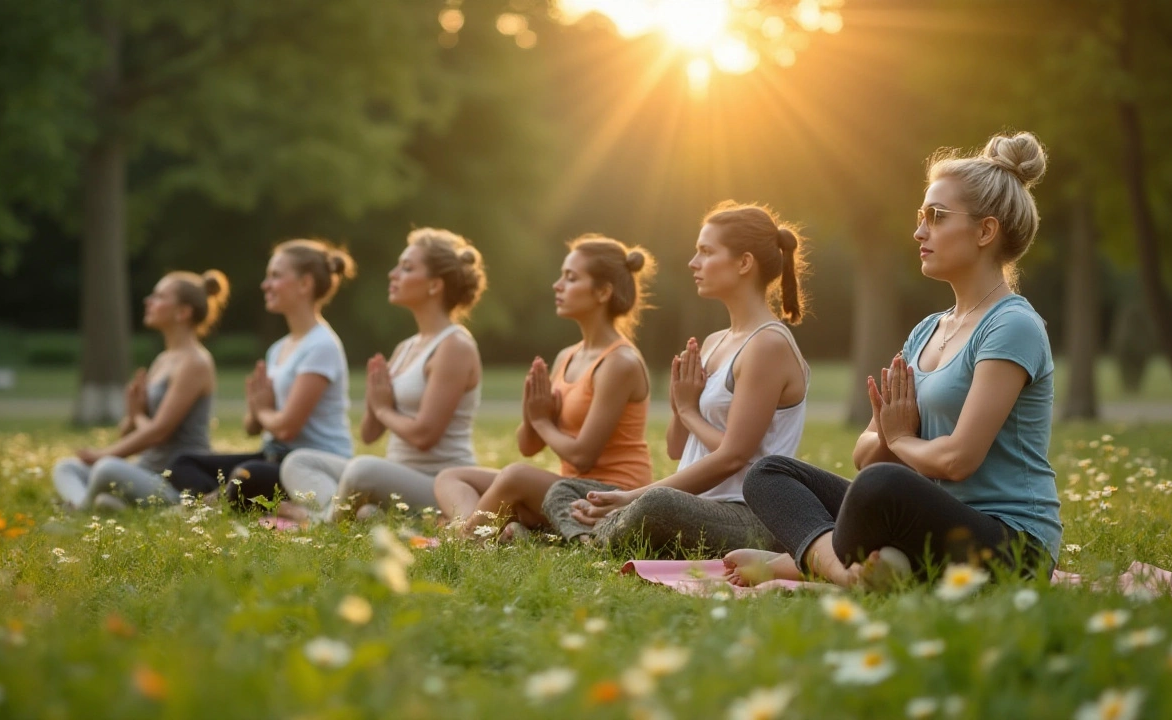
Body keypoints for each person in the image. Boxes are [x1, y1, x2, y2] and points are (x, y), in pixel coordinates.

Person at [725, 131, 1061, 589]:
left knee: (882, 486)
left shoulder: (1013, 325)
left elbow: (959, 459)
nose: (920, 231)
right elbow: (864, 451)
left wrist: (900, 438)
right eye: (921, 216)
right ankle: (850, 572)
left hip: (1010, 545)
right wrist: (892, 437)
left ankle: (801, 564)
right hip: (925, 519)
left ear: (985, 231)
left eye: (936, 217)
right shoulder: (927, 330)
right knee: (770, 472)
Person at [551, 202, 809, 555]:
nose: (693, 263)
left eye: (706, 252)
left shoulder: (768, 344)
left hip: (749, 516)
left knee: (657, 504)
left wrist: (688, 410)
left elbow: (735, 456)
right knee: (563, 490)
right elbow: (677, 448)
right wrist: (679, 404)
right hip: (695, 504)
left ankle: (585, 537)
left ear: (744, 263)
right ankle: (592, 537)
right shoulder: (713, 342)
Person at [433, 236, 654, 540]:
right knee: (452, 476)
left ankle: (466, 540)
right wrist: (532, 414)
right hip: (565, 491)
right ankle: (482, 530)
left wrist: (541, 421)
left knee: (515, 476)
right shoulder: (567, 356)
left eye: (571, 278)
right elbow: (529, 446)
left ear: (603, 292)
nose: (557, 285)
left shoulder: (620, 362)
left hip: (608, 498)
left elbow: (582, 457)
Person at [278, 229, 486, 523]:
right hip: (395, 477)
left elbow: (425, 436)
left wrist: (382, 408)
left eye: (407, 268)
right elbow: (369, 434)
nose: (393, 274)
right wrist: (376, 404)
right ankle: (350, 514)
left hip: (439, 486)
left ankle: (320, 520)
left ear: (434, 285)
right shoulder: (406, 348)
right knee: (298, 462)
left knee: (363, 471)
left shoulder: (455, 346)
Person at [166, 239, 356, 510]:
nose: (265, 285)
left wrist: (263, 410)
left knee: (247, 475)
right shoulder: (278, 349)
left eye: (275, 276)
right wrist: (256, 410)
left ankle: (211, 505)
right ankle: (219, 501)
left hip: (309, 464)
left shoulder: (322, 345)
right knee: (183, 463)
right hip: (272, 456)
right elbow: (251, 427)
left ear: (305, 284)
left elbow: (288, 427)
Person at [52, 270, 229, 510]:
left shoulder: (196, 362)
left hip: (174, 480)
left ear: (183, 312)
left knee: (106, 468)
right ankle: (102, 504)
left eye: (159, 296)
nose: (148, 301)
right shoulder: (163, 360)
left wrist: (103, 454)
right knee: (66, 467)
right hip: (145, 469)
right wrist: (132, 416)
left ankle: (82, 510)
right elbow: (135, 431)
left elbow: (159, 432)